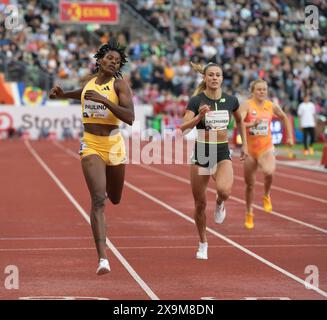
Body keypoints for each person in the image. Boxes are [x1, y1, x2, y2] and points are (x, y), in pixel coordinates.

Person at [49, 39, 135, 275]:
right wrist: (63, 94)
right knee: (98, 199)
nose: (113, 62)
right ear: (99, 61)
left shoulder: (120, 86)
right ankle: (103, 258)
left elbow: (130, 117)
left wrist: (106, 102)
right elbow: (84, 93)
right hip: (91, 144)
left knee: (115, 198)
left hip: (114, 145)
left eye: (117, 61)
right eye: (109, 58)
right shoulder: (89, 84)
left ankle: (106, 186)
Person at [180, 62, 248, 260]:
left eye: (218, 75)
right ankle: (203, 243)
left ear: (222, 78)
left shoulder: (231, 100)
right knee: (200, 204)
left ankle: (220, 203)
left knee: (225, 191)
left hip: (221, 152)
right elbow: (183, 128)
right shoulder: (196, 100)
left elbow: (240, 121)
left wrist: (243, 143)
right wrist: (198, 116)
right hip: (202, 153)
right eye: (211, 75)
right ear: (205, 78)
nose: (214, 78)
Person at [240, 79, 293, 229]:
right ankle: (249, 212)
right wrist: (252, 124)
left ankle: (266, 195)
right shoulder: (247, 105)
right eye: (259, 89)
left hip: (266, 147)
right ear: (253, 91)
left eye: (264, 89)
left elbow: (284, 117)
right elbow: (239, 123)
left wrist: (289, 136)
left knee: (269, 172)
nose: (262, 92)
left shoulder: (271, 106)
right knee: (250, 184)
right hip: (250, 150)